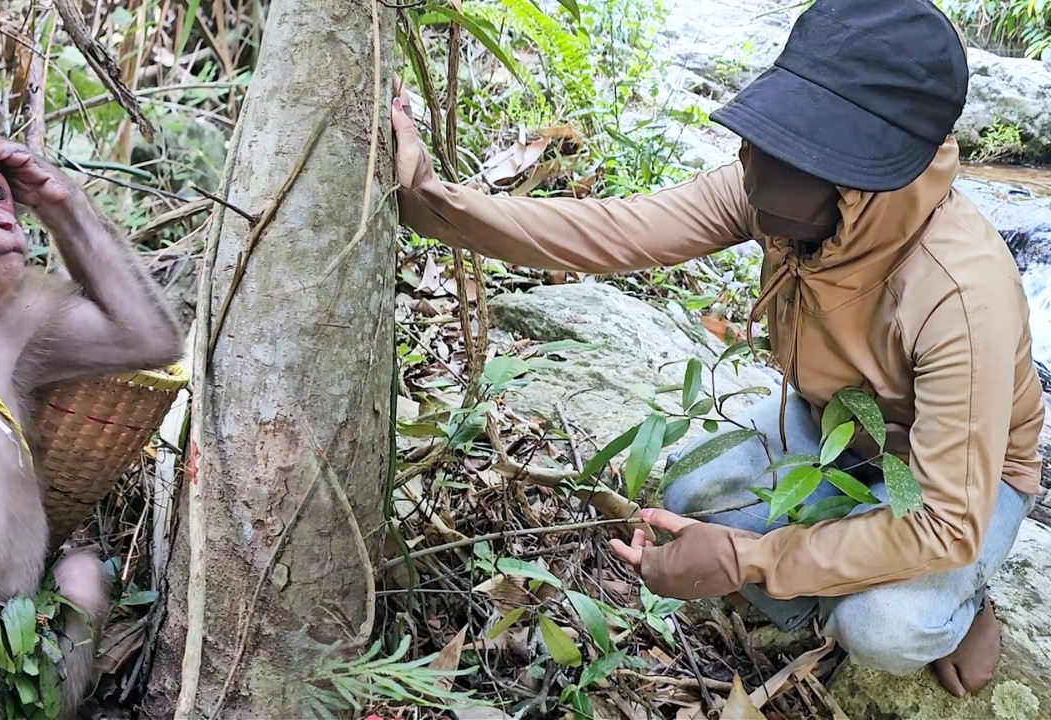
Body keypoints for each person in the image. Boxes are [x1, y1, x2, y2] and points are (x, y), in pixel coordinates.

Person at [390, 0, 1044, 698]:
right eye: (767, 133)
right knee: (693, 498)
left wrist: (747, 558)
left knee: (882, 627)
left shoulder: (959, 293)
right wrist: (430, 200)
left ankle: (961, 606)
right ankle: (837, 565)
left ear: (862, 177)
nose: (749, 161)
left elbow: (944, 522)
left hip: (959, 479)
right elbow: (615, 232)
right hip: (840, 426)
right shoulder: (786, 191)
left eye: (792, 145)